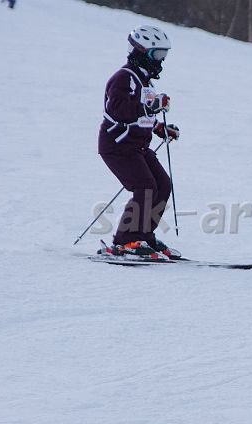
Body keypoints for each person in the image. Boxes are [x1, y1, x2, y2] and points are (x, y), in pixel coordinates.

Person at [97, 25, 182, 260]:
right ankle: (125, 241)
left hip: (137, 147)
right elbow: (118, 110)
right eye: (157, 54)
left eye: (164, 55)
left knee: (162, 185)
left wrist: (160, 128)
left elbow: (143, 116)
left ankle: (143, 236)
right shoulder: (123, 78)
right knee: (145, 187)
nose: (161, 60)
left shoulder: (146, 82)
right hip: (117, 146)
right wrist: (149, 107)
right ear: (142, 52)